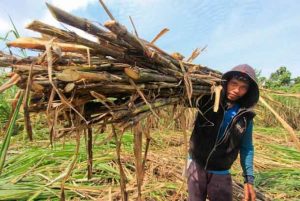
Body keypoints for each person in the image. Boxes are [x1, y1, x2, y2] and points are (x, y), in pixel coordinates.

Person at [188, 64, 259, 201]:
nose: (237, 90)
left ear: (248, 91)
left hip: (221, 171)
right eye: (234, 84)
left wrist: (248, 179)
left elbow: (247, 148)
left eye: (243, 87)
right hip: (196, 164)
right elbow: (185, 95)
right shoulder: (207, 99)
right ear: (226, 82)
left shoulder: (245, 117)